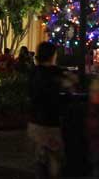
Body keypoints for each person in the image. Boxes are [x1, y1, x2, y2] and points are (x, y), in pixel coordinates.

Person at [27, 42, 66, 178]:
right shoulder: (55, 73)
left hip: (34, 122)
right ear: (52, 55)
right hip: (50, 122)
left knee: (40, 159)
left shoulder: (34, 72)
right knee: (54, 157)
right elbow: (69, 85)